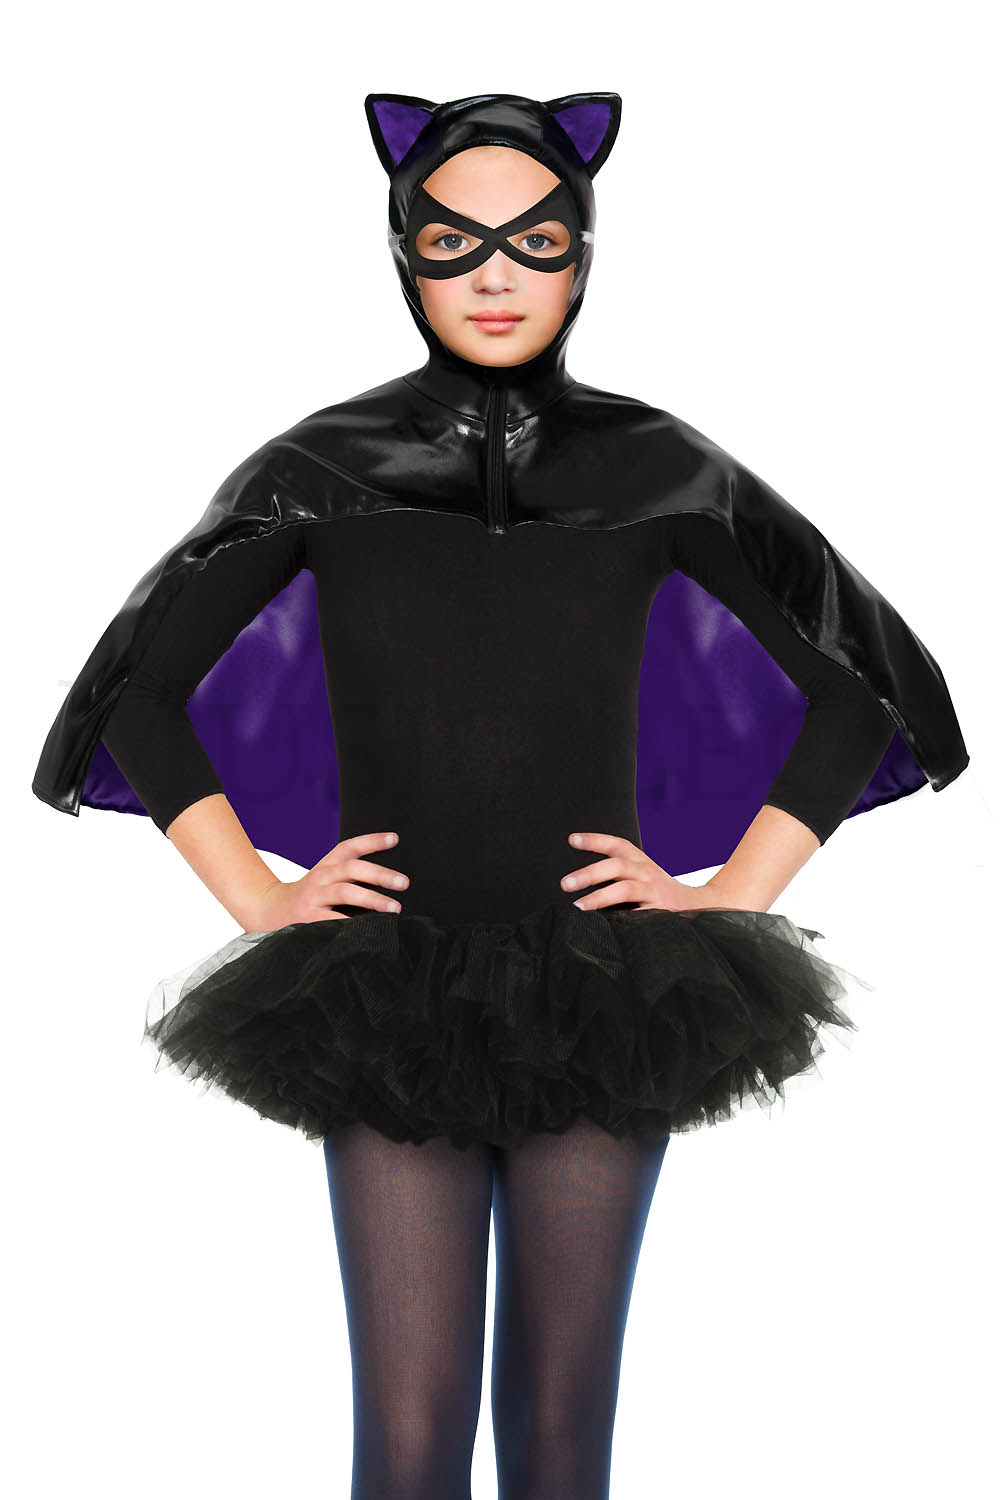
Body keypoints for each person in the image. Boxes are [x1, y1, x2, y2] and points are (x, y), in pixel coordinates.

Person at [31, 91, 970, 1499]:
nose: (494, 275)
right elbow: (137, 697)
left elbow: (861, 689)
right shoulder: (320, 471)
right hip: (383, 989)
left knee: (561, 1441)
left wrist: (726, 901)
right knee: (407, 1445)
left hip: (607, 994)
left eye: (534, 241)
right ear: (401, 252)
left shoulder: (663, 471)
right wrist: (264, 902)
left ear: (583, 253)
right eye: (453, 241)